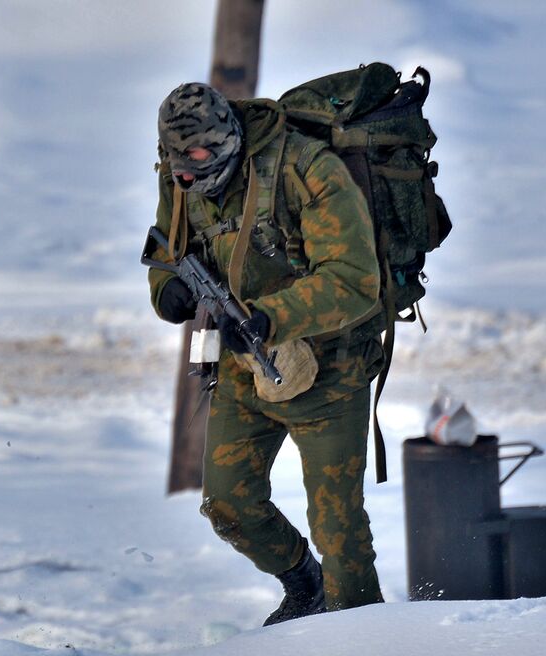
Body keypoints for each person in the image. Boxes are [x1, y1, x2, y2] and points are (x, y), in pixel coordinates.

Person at [146, 82, 387, 625]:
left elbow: (355, 280)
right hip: (244, 364)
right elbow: (166, 249)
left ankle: (368, 647)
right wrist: (169, 292)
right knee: (227, 503)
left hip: (330, 365)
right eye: (176, 162)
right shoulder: (179, 177)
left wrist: (273, 317)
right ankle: (306, 587)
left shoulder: (307, 170)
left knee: (338, 529)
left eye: (199, 158)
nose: (186, 174)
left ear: (226, 139)